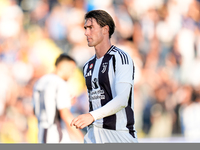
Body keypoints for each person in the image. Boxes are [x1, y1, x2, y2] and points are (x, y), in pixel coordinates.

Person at [70, 10, 138, 143]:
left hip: (119, 136)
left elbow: (122, 100)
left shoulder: (120, 58)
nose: (86, 33)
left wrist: (91, 116)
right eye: (85, 28)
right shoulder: (88, 65)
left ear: (105, 30)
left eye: (91, 28)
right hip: (94, 135)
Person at [32, 54, 84, 143]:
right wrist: (82, 138)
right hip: (56, 135)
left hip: (42, 133)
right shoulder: (60, 83)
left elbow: (35, 110)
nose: (72, 73)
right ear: (64, 66)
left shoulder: (40, 82)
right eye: (72, 69)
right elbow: (65, 114)